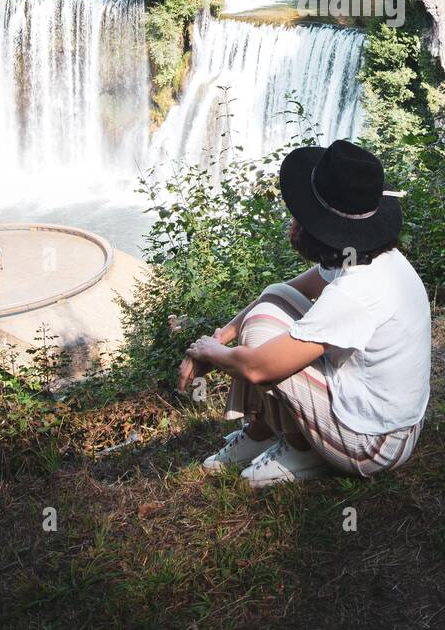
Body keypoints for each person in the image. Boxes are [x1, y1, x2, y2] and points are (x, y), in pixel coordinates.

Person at [178, 139, 431, 489]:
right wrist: (222, 335)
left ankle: (302, 452)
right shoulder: (362, 254)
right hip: (379, 414)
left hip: (375, 443)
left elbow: (258, 368)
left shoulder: (357, 291)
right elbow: (285, 291)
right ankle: (261, 433)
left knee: (261, 334)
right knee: (273, 299)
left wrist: (207, 351)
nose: (293, 220)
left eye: (303, 214)